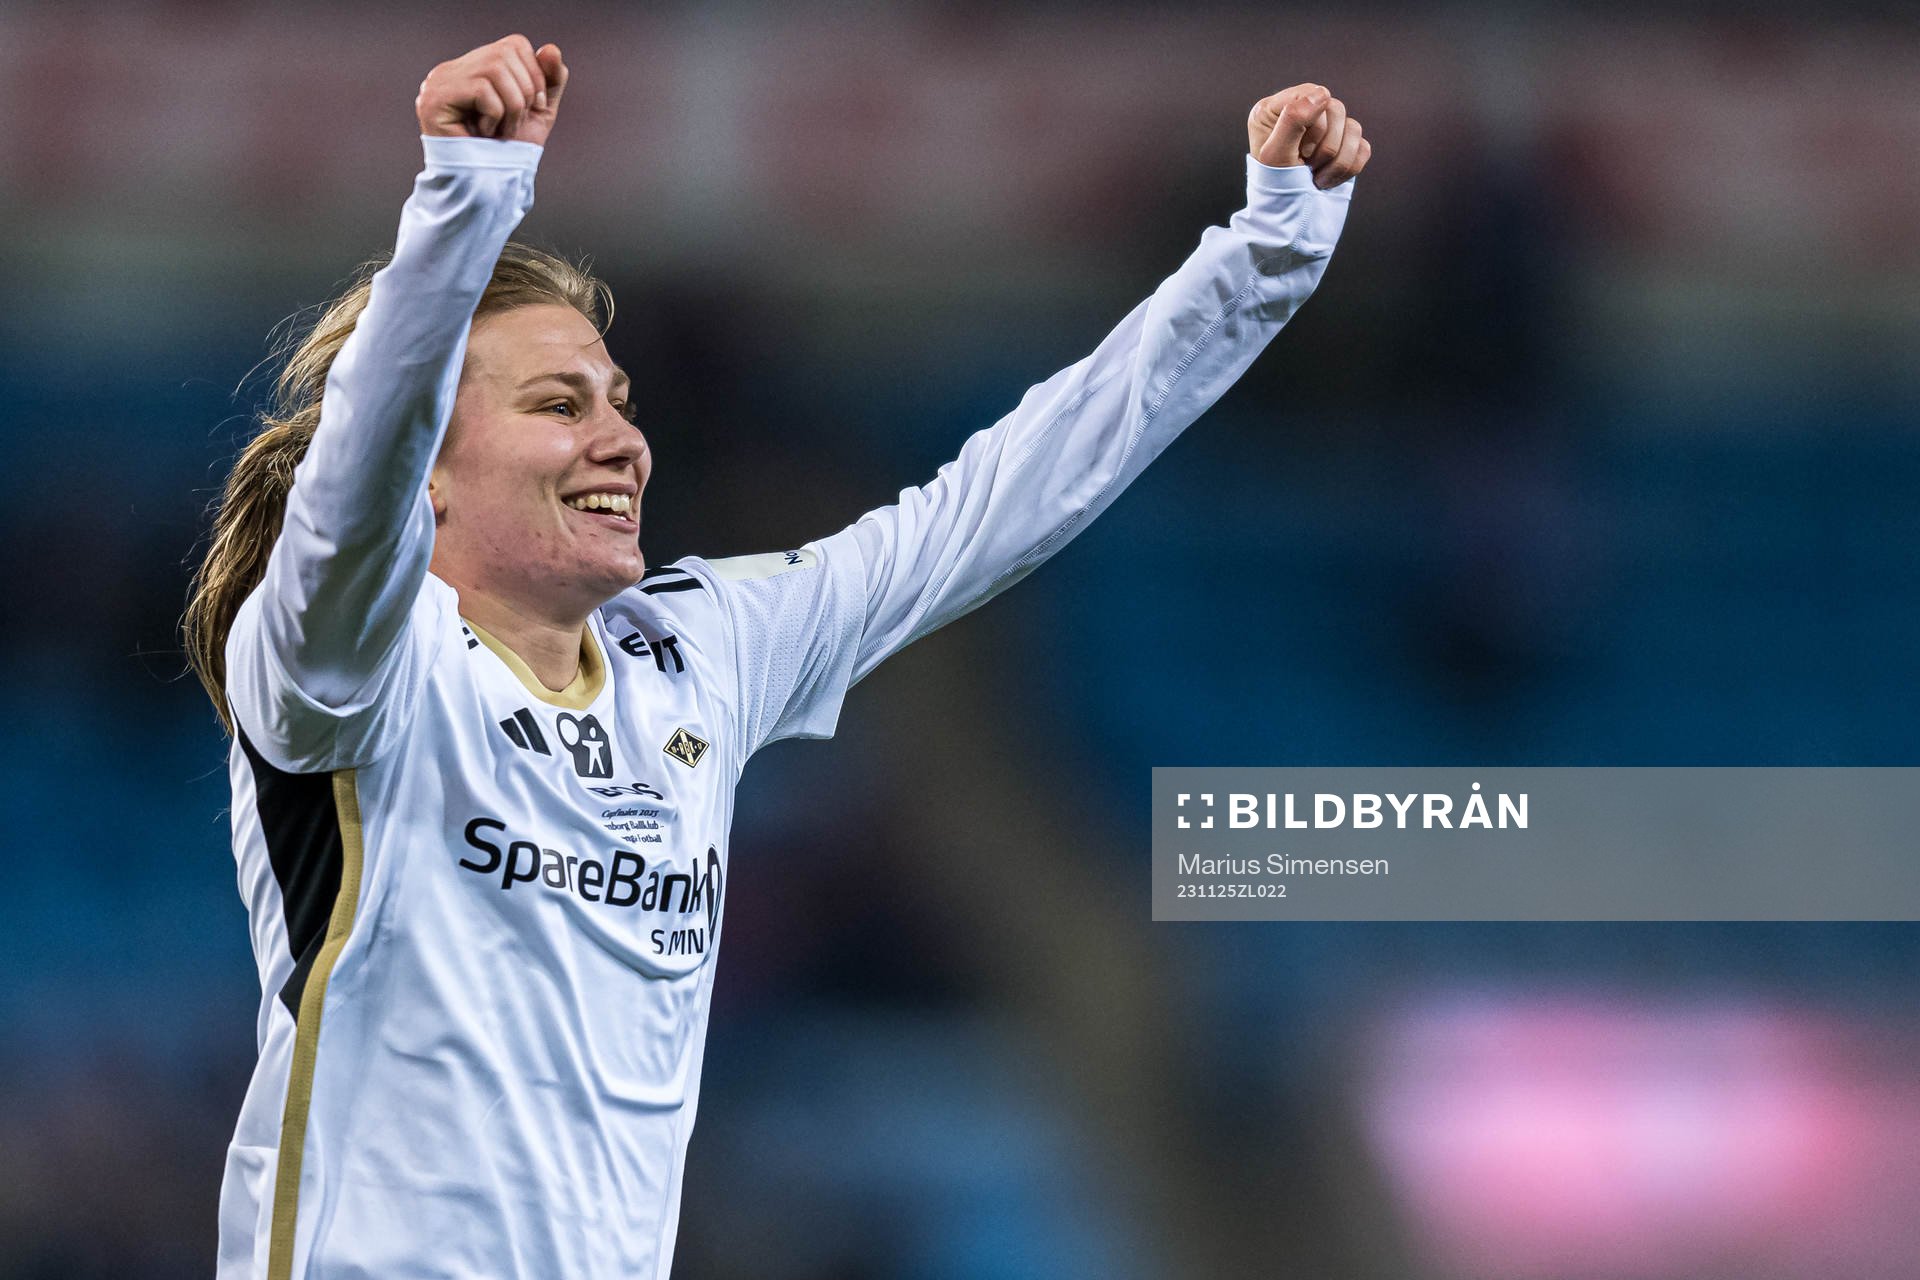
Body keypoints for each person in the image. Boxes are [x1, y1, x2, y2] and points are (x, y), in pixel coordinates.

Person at [183, 33, 1370, 1280]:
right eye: (558, 406)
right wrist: (464, 203)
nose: (622, 441)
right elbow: (347, 507)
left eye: (619, 400)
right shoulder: (343, 672)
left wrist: (1267, 253)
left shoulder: (693, 656)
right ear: (428, 465)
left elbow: (998, 500)